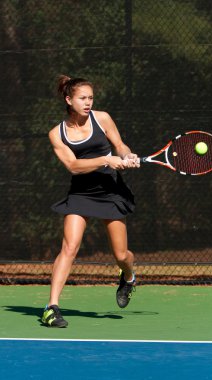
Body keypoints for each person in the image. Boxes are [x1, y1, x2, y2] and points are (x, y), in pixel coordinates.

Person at [41, 75, 140, 328]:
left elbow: (119, 145)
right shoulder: (57, 133)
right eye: (82, 98)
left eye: (91, 98)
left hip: (110, 189)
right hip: (82, 192)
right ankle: (51, 307)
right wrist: (106, 160)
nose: (88, 103)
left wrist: (128, 156)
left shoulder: (102, 118)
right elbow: (73, 166)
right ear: (68, 99)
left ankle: (128, 277)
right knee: (69, 247)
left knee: (120, 255)